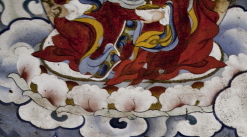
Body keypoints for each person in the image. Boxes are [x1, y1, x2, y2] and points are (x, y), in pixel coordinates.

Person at [36, 0, 225, 86]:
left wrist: (163, 14)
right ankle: (101, 61)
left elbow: (182, 7)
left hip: (153, 17)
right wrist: (69, 9)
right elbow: (92, 2)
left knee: (153, 39)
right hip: (113, 13)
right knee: (97, 31)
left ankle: (125, 54)